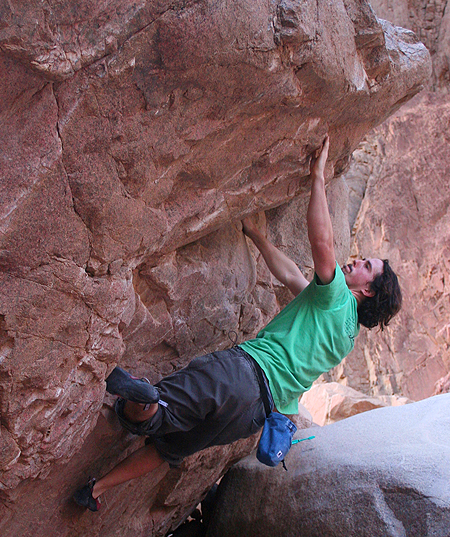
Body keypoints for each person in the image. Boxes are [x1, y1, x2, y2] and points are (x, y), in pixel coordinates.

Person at [74, 136, 402, 511]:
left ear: (369, 292)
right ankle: (95, 490)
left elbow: (322, 243)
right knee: (170, 449)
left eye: (366, 267)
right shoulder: (345, 335)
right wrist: (258, 237)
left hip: (239, 374)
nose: (356, 262)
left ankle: (142, 398)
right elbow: (294, 277)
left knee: (155, 413)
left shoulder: (338, 294)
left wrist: (317, 178)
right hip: (249, 416)